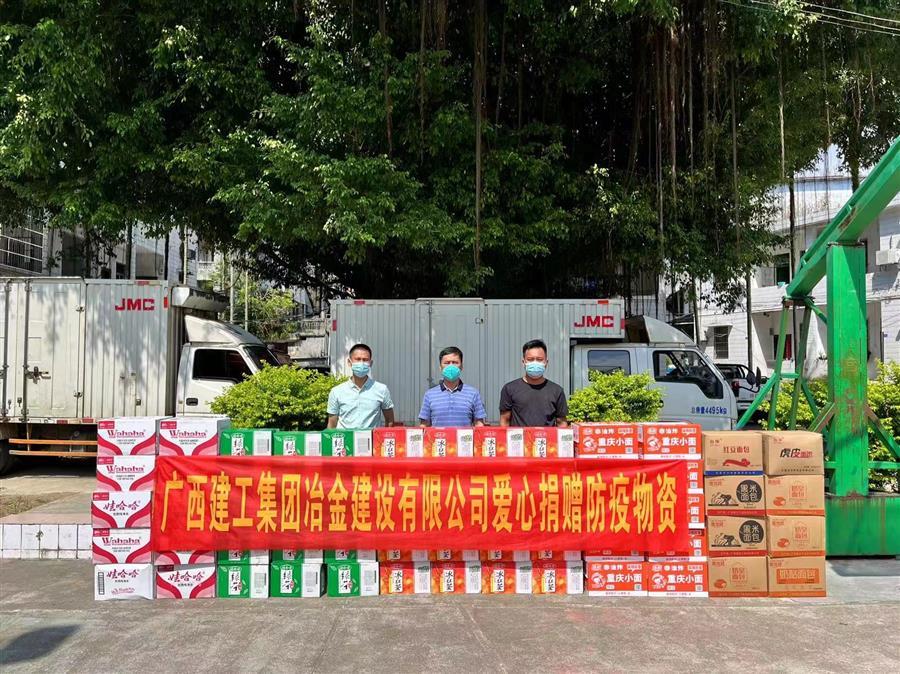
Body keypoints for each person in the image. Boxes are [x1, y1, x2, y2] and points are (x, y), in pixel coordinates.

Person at [499, 339, 568, 427]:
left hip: (547, 436)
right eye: (530, 359)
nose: (535, 363)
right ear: (524, 362)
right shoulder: (509, 389)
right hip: (518, 436)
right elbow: (504, 420)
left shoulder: (557, 391)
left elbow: (561, 423)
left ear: (546, 362)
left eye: (539, 359)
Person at [327, 343, 395, 429]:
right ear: (349, 362)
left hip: (371, 437)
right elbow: (332, 425)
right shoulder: (336, 391)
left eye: (365, 360)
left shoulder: (382, 389)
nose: (361, 363)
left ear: (370, 363)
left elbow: (389, 421)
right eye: (358, 359)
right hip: (346, 437)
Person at [418, 346, 487, 427]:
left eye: (455, 362)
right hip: (438, 436)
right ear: (440, 367)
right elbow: (424, 425)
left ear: (461, 366)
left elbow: (479, 424)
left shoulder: (473, 393)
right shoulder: (429, 395)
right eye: (446, 363)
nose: (451, 366)